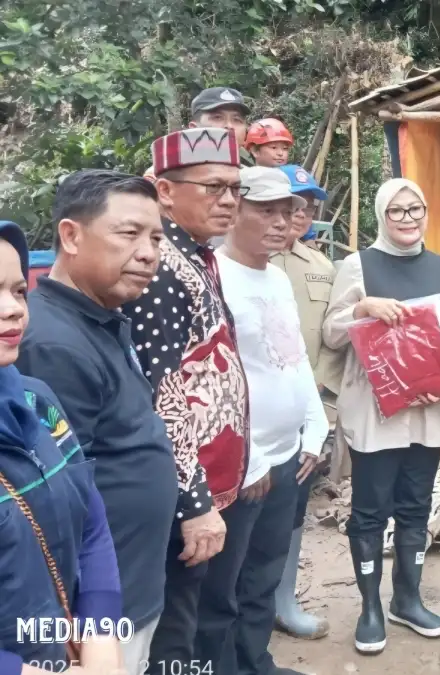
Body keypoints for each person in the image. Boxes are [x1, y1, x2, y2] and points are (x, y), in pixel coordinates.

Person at [15, 171, 178, 675]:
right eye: (129, 234)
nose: (150, 252)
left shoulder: (103, 315)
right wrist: (92, 626)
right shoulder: (52, 345)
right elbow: (57, 506)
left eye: (156, 237)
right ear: (70, 236)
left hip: (125, 589)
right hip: (93, 621)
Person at [323, 178, 440, 654]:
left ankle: (407, 599)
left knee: (415, 505)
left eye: (416, 209)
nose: (408, 219)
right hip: (376, 410)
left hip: (428, 411)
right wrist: (362, 308)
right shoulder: (357, 265)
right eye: (397, 211)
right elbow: (331, 333)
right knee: (369, 510)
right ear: (381, 216)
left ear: (426, 213)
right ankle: (370, 607)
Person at [128, 127, 251, 672]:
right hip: (186, 496)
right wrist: (194, 501)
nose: (228, 201)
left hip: (214, 483)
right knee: (177, 633)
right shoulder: (159, 268)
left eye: (234, 189)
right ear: (164, 192)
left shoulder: (197, 255)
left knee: (205, 615)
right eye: (212, 188)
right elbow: (163, 394)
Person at [191, 167, 322, 675]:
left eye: (286, 212)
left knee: (264, 575)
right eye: (264, 210)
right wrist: (252, 460)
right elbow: (212, 384)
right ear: (234, 211)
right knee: (222, 587)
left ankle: (256, 662)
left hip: (288, 456)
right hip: (240, 468)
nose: (279, 222)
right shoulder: (213, 278)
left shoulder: (278, 277)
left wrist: (313, 426)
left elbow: (293, 358)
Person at [0, 221, 126, 675]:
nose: (12, 309)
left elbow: (90, 521)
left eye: (18, 291)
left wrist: (102, 643)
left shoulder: (35, 400)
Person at [269, 164, 338, 642]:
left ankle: (283, 600)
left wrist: (324, 411)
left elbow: (332, 345)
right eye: (292, 202)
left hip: (307, 417)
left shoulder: (322, 267)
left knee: (293, 511)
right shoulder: (237, 261)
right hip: (251, 420)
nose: (301, 211)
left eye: (308, 204)